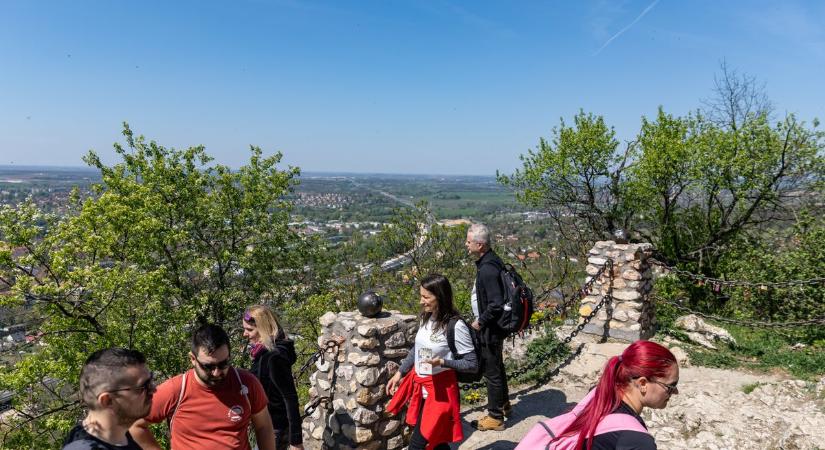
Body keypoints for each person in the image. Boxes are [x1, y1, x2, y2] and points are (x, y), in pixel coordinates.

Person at [129, 323, 276, 450]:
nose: (217, 372)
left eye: (223, 364)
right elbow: (134, 423)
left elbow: (264, 426)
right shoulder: (176, 390)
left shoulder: (246, 384)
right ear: (193, 359)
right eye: (208, 366)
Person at [517, 340, 679, 450]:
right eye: (671, 386)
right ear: (643, 384)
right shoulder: (637, 442)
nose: (675, 392)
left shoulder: (599, 395)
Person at [386, 274, 478, 450]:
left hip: (440, 393)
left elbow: (472, 364)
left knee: (417, 445)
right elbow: (417, 349)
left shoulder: (455, 326)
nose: (421, 301)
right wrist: (400, 373)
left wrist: (442, 362)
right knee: (437, 440)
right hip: (421, 389)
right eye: (421, 295)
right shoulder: (426, 317)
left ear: (440, 297)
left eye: (426, 297)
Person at [465, 223, 511, 431]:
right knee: (497, 368)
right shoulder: (491, 261)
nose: (466, 245)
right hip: (494, 327)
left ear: (480, 245)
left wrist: (479, 322)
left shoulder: (488, 269)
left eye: (469, 241)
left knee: (491, 372)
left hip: (490, 329)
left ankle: (495, 417)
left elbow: (495, 304)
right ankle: (504, 405)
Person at [62, 348, 154, 450]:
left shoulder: (118, 434)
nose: (153, 390)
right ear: (108, 400)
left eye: (151, 381)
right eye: (144, 386)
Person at [242, 305, 303, 450]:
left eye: (250, 330)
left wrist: (296, 441)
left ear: (263, 329)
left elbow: (289, 397)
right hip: (269, 425)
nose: (245, 334)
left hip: (275, 428)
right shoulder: (263, 353)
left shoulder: (274, 357)